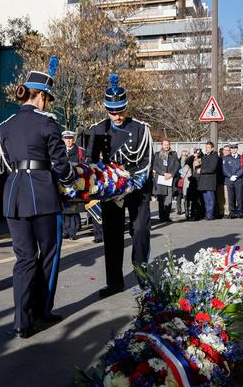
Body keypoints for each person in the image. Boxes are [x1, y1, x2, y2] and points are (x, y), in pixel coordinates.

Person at [0, 58, 75, 337]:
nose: (48, 104)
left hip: (14, 195)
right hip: (42, 193)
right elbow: (61, 164)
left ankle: (21, 320)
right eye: (48, 98)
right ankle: (42, 309)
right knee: (49, 254)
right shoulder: (47, 123)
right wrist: (71, 184)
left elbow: (7, 160)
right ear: (41, 95)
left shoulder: (6, 124)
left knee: (24, 259)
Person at [86, 73, 153, 297]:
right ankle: (114, 281)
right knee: (112, 235)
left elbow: (145, 163)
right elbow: (91, 162)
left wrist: (128, 185)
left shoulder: (141, 128)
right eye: (112, 111)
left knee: (140, 231)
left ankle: (142, 277)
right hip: (110, 191)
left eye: (120, 110)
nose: (116, 115)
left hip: (136, 188)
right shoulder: (97, 129)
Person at [62, 130, 86, 239]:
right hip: (62, 182)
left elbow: (84, 166)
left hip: (75, 182)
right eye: (66, 139)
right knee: (64, 208)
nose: (68, 141)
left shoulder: (80, 151)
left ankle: (72, 231)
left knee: (72, 208)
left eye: (70, 138)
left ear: (74, 139)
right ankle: (65, 231)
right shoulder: (60, 151)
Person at [151, 140, 179, 222]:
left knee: (168, 198)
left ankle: (166, 216)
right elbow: (155, 166)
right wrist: (163, 173)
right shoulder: (157, 154)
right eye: (165, 144)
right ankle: (161, 216)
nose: (166, 146)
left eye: (168, 144)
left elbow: (177, 165)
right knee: (161, 199)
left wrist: (171, 174)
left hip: (170, 179)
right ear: (162, 145)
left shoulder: (173, 154)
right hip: (161, 178)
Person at [222, 143, 243, 218]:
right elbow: (224, 169)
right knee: (231, 197)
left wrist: (237, 175)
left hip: (238, 179)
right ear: (230, 149)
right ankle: (232, 212)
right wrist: (230, 176)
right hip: (229, 180)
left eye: (235, 148)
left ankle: (240, 212)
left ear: (237, 149)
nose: (233, 150)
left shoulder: (241, 158)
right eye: (232, 148)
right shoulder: (226, 158)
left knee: (239, 196)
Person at [198, 141, 219, 220]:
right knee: (206, 200)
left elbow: (212, 168)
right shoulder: (205, 155)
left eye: (208, 147)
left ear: (212, 148)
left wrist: (201, 170)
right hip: (204, 180)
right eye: (206, 147)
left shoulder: (214, 155)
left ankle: (210, 215)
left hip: (210, 180)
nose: (206, 149)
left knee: (210, 199)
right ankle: (207, 214)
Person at [176, 149, 189, 215]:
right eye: (183, 155)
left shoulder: (188, 161)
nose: (184, 156)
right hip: (180, 180)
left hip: (186, 180)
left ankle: (186, 209)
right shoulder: (178, 161)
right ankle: (179, 209)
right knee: (179, 195)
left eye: (185, 155)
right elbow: (177, 170)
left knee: (185, 195)